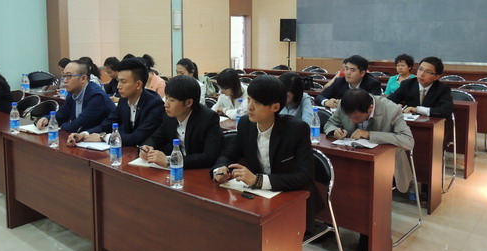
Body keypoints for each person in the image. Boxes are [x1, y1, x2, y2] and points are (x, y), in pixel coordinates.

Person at [212, 75, 322, 233]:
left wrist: (258, 181)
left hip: (292, 199)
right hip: (258, 199)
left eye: (256, 103)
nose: (249, 107)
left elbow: (306, 177)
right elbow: (228, 155)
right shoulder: (245, 124)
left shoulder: (297, 130)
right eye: (249, 99)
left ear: (275, 107)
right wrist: (219, 170)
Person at [324, 88, 414, 193]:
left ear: (370, 108)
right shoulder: (344, 105)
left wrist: (370, 135)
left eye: (356, 117)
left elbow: (408, 141)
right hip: (353, 157)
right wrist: (335, 131)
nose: (352, 120)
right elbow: (330, 124)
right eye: (349, 117)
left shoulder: (391, 109)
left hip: (383, 162)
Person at [68, 57, 164, 146]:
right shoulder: (124, 100)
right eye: (118, 81)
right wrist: (84, 134)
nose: (118, 86)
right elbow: (107, 124)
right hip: (128, 151)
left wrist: (104, 137)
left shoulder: (154, 105)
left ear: (138, 85)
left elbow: (137, 138)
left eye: (123, 82)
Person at [139, 75, 223, 169]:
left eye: (172, 100)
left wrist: (170, 160)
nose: (166, 104)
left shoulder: (209, 118)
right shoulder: (169, 116)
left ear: (188, 103)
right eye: (166, 98)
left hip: (198, 170)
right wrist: (147, 147)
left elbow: (209, 157)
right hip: (176, 171)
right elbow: (156, 137)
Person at [36, 60, 115, 132]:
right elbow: (62, 115)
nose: (65, 80)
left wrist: (61, 126)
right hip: (82, 137)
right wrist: (47, 119)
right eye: (64, 76)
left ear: (83, 78)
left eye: (69, 76)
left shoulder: (96, 96)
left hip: (102, 139)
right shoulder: (72, 93)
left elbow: (78, 125)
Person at [387, 56, 453, 118]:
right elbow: (389, 101)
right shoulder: (407, 84)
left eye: (428, 72)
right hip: (410, 123)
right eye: (420, 69)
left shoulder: (442, 89)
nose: (421, 74)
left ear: (436, 77)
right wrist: (396, 107)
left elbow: (446, 111)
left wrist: (417, 110)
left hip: (432, 124)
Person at [314, 55, 381, 108]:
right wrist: (326, 102)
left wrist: (343, 103)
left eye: (352, 70)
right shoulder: (339, 82)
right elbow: (320, 96)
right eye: (346, 69)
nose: (347, 73)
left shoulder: (372, 84)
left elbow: (371, 104)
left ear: (362, 73)